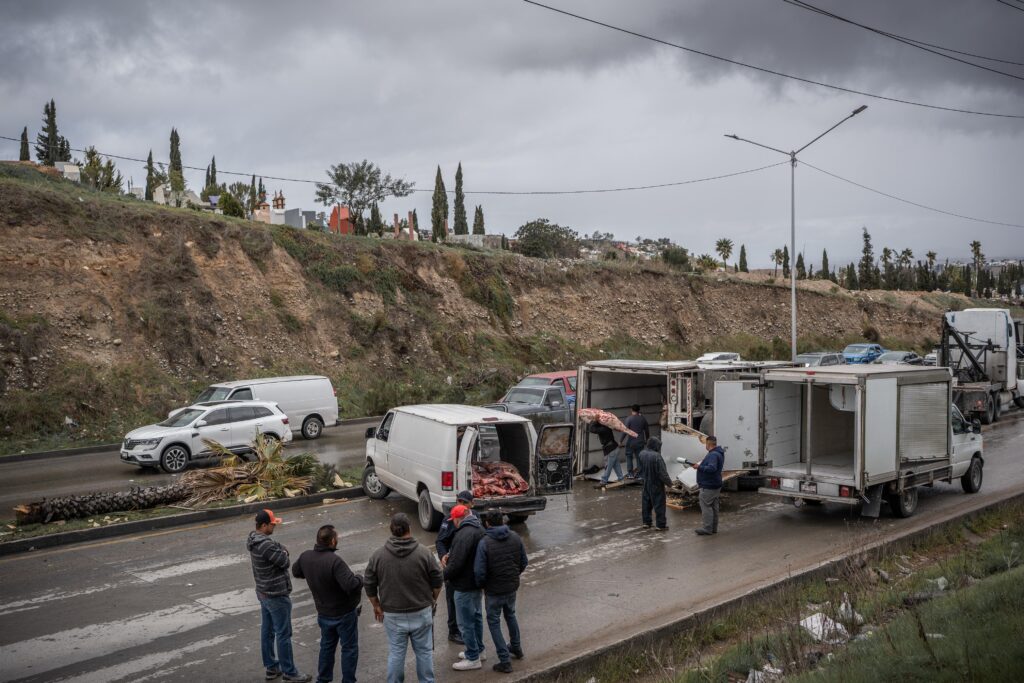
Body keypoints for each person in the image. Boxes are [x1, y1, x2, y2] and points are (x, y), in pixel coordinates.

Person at [364, 513, 443, 683]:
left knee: (396, 653)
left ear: (391, 530)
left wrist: (376, 605)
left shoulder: (378, 556)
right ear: (409, 528)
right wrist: (432, 599)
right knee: (424, 652)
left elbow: (369, 584)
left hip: (392, 614)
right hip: (421, 611)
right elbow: (438, 580)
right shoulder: (424, 553)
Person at [292, 524, 363, 683]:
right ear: (332, 541)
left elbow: (296, 572)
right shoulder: (334, 561)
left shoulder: (306, 557)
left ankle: (323, 679)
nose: (337, 540)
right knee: (349, 649)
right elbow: (350, 585)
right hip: (344, 614)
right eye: (336, 538)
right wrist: (360, 578)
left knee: (327, 648)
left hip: (324, 613)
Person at [247, 509, 312, 682]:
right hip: (276, 595)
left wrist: (279, 548)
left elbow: (277, 549)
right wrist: (283, 551)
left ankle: (271, 667)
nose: (274, 526)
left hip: (263, 592)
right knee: (283, 634)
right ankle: (290, 672)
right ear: (263, 525)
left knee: (267, 631)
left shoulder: (254, 540)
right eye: (272, 524)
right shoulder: (266, 545)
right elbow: (284, 562)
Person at [474, 511, 528, 674]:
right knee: (510, 614)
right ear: (503, 521)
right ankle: (516, 647)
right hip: (511, 586)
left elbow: (479, 571)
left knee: (494, 621)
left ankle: (504, 660)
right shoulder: (515, 537)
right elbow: (523, 562)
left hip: (494, 590)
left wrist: (482, 586)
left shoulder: (485, 542)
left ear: (487, 524)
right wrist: (513, 576)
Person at [443, 504, 486, 671]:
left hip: (464, 585)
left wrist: (443, 575)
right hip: (476, 583)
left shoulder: (463, 534)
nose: (452, 523)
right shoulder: (479, 528)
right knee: (476, 619)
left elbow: (457, 564)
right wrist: (451, 554)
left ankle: (472, 657)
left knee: (465, 623)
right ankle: (479, 650)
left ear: (458, 518)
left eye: (453, 520)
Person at [436, 490, 475, 644]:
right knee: (452, 599)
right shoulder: (449, 519)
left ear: (472, 504)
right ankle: (453, 631)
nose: (461, 504)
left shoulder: (475, 517)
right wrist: (443, 555)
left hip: (469, 567)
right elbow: (440, 541)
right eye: (459, 501)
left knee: (469, 600)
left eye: (465, 502)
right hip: (453, 565)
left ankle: (467, 626)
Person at [637, 437, 672, 530]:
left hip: (645, 482)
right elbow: (662, 473)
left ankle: (646, 522)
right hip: (656, 483)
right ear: (655, 446)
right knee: (659, 504)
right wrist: (670, 484)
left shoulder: (641, 453)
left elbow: (639, 470)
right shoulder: (657, 456)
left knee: (646, 503)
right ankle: (660, 525)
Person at [693, 435, 725, 536]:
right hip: (715, 484)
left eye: (705, 444)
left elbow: (712, 468)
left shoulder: (713, 455)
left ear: (708, 444)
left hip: (709, 485)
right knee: (714, 507)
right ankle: (713, 528)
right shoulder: (719, 453)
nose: (705, 446)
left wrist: (699, 467)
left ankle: (707, 528)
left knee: (706, 506)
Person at [620, 404, 651, 478]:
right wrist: (647, 439)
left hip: (631, 442)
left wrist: (620, 440)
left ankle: (630, 474)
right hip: (640, 441)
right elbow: (647, 430)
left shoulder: (629, 419)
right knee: (639, 458)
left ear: (631, 410)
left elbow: (625, 431)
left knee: (629, 456)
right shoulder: (643, 419)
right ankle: (640, 475)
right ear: (639, 410)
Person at [592, 421, 622, 486]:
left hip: (611, 449)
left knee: (608, 466)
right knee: (616, 465)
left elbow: (592, 429)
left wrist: (595, 421)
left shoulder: (603, 429)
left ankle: (603, 481)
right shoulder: (606, 427)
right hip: (614, 448)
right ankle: (621, 479)